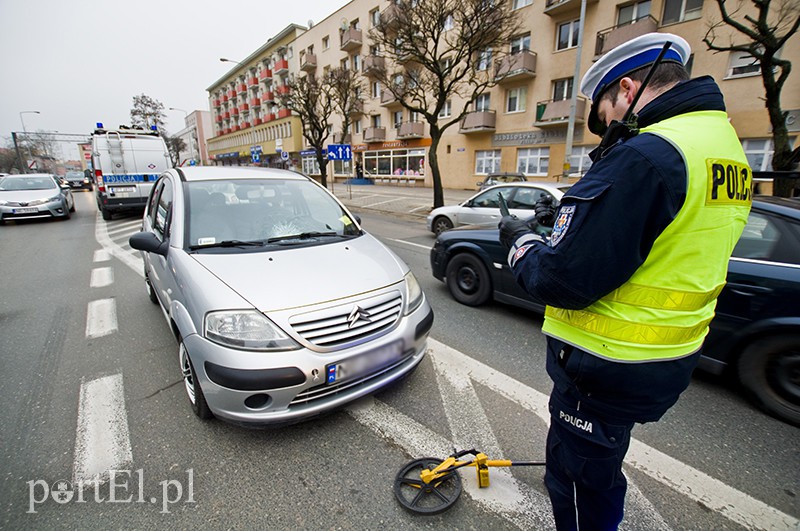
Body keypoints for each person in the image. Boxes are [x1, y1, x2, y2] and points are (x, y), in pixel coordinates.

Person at [498, 33, 752, 530]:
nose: (608, 130)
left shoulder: (646, 155)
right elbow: (664, 242)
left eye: (606, 115)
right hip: (667, 354)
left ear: (628, 88)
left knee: (576, 479)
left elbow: (561, 279)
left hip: (607, 363)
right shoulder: (722, 147)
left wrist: (522, 244)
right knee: (603, 463)